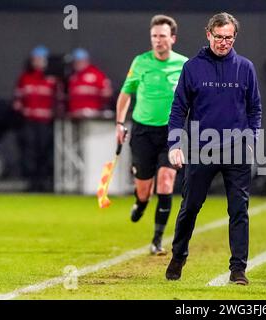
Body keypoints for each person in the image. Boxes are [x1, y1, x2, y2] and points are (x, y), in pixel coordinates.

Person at [165, 12, 262, 285]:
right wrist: (174, 143)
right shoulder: (192, 68)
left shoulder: (246, 68)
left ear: (235, 37)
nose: (223, 43)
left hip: (237, 149)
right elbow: (178, 110)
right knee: (191, 206)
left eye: (229, 38)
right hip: (200, 148)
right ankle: (178, 254)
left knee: (239, 210)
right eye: (219, 37)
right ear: (208, 34)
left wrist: (253, 139)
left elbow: (255, 108)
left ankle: (238, 269)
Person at [116, 15, 188, 255]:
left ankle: (157, 240)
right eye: (154, 36)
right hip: (143, 130)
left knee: (166, 181)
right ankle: (141, 202)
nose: (158, 41)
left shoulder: (184, 65)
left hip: (172, 131)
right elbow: (126, 94)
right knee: (145, 188)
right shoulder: (140, 62)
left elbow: (196, 98)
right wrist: (119, 123)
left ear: (173, 39)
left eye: (162, 36)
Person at [13, 45, 58, 192]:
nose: (37, 62)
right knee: (29, 153)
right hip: (30, 122)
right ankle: (32, 182)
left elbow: (59, 100)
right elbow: (18, 100)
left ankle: (45, 182)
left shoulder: (53, 80)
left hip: (46, 122)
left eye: (40, 59)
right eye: (35, 59)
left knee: (45, 152)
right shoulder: (25, 78)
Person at [67, 48, 112, 119]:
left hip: (92, 115)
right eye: (75, 62)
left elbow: (107, 93)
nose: (77, 64)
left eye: (79, 61)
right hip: (76, 115)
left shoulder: (96, 74)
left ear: (86, 61)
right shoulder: (73, 77)